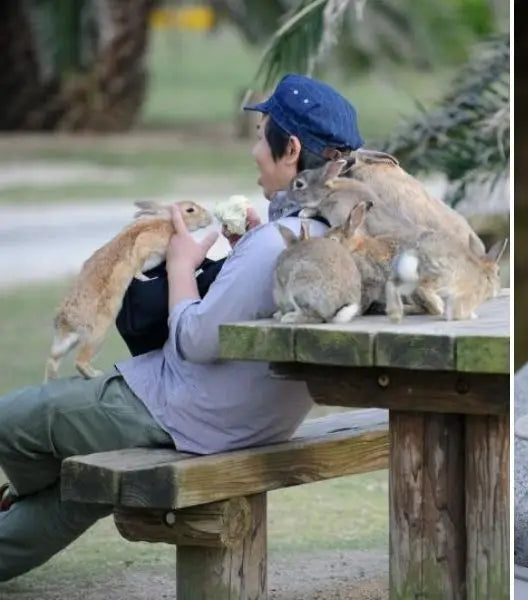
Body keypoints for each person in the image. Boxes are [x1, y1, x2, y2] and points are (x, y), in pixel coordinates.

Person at [0, 73, 363, 581]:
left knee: (11, 421)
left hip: (181, 412)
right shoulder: (334, 236)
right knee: (78, 491)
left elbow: (194, 340)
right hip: (253, 422)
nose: (254, 149)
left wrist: (178, 263)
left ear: (292, 149)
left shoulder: (274, 243)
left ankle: (24, 491)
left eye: (261, 136)